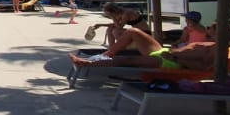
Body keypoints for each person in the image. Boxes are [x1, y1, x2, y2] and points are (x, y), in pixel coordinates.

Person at [68, 28, 216, 71]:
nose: (209, 28)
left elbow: (203, 66)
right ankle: (105, 55)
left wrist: (175, 57)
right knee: (133, 32)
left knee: (128, 60)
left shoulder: (216, 49)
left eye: (213, 27)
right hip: (166, 53)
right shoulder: (205, 40)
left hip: (171, 62)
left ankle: (87, 63)